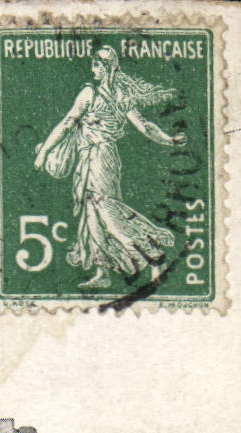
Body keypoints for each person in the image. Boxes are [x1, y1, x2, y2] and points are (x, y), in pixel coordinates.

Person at [32, 45, 186, 292]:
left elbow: (67, 124)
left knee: (102, 207)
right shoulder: (118, 95)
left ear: (105, 68)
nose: (93, 69)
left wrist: (43, 152)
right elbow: (145, 126)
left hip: (99, 158)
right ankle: (104, 271)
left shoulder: (91, 93)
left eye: (96, 65)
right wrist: (168, 139)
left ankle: (148, 244)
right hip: (98, 159)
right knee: (91, 214)